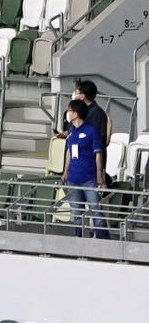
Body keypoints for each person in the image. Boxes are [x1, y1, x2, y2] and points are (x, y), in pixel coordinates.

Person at [62, 99, 109, 239]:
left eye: (69, 111)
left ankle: (103, 241)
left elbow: (98, 154)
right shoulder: (71, 131)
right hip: (73, 179)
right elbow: (69, 152)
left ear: (75, 113)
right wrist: (65, 171)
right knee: (77, 213)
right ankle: (80, 239)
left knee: (96, 212)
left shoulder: (91, 130)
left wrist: (99, 174)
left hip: (89, 179)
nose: (68, 114)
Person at [73, 79, 110, 145]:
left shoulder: (96, 113)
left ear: (82, 96)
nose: (74, 96)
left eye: (76, 93)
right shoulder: (82, 111)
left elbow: (99, 139)